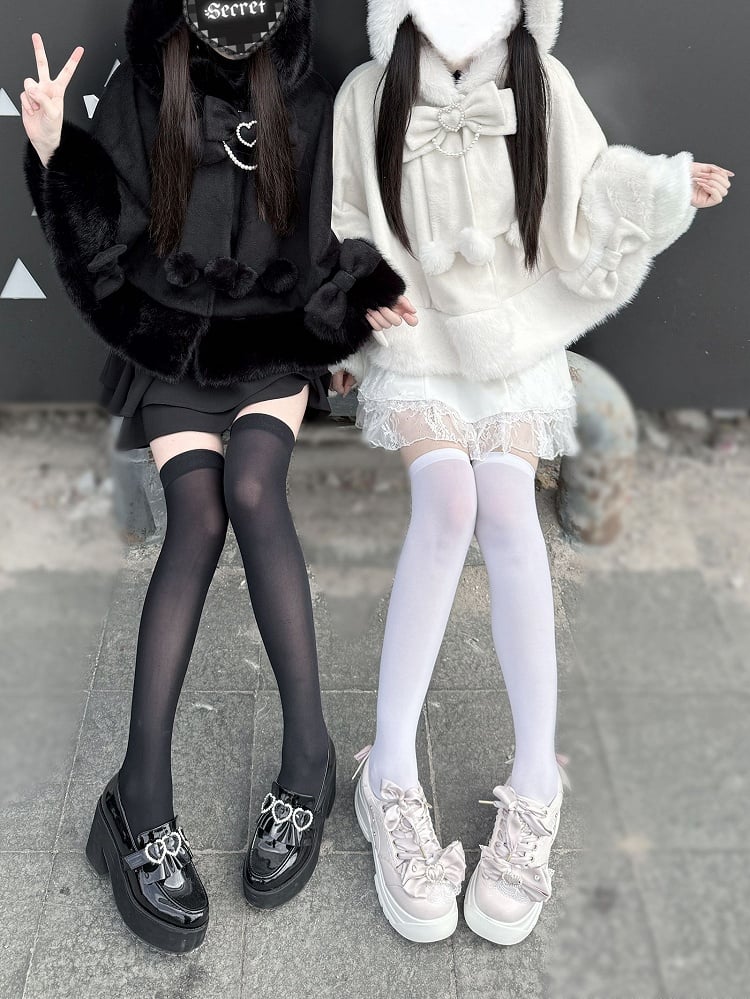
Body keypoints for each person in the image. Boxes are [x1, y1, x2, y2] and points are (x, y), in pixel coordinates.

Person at [333, 0, 732, 945]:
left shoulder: (538, 80)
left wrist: (662, 187)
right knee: (448, 504)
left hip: (511, 339)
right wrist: (357, 301)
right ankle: (388, 775)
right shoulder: (368, 91)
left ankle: (537, 780)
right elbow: (346, 218)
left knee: (509, 512)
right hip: (418, 338)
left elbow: (591, 188)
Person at [21, 0, 409, 953]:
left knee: (253, 489)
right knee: (194, 517)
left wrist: (362, 296)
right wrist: (55, 151)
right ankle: (137, 799)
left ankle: (308, 761)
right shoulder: (148, 83)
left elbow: (334, 227)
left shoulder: (305, 89)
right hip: (172, 345)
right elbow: (105, 240)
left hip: (268, 345)